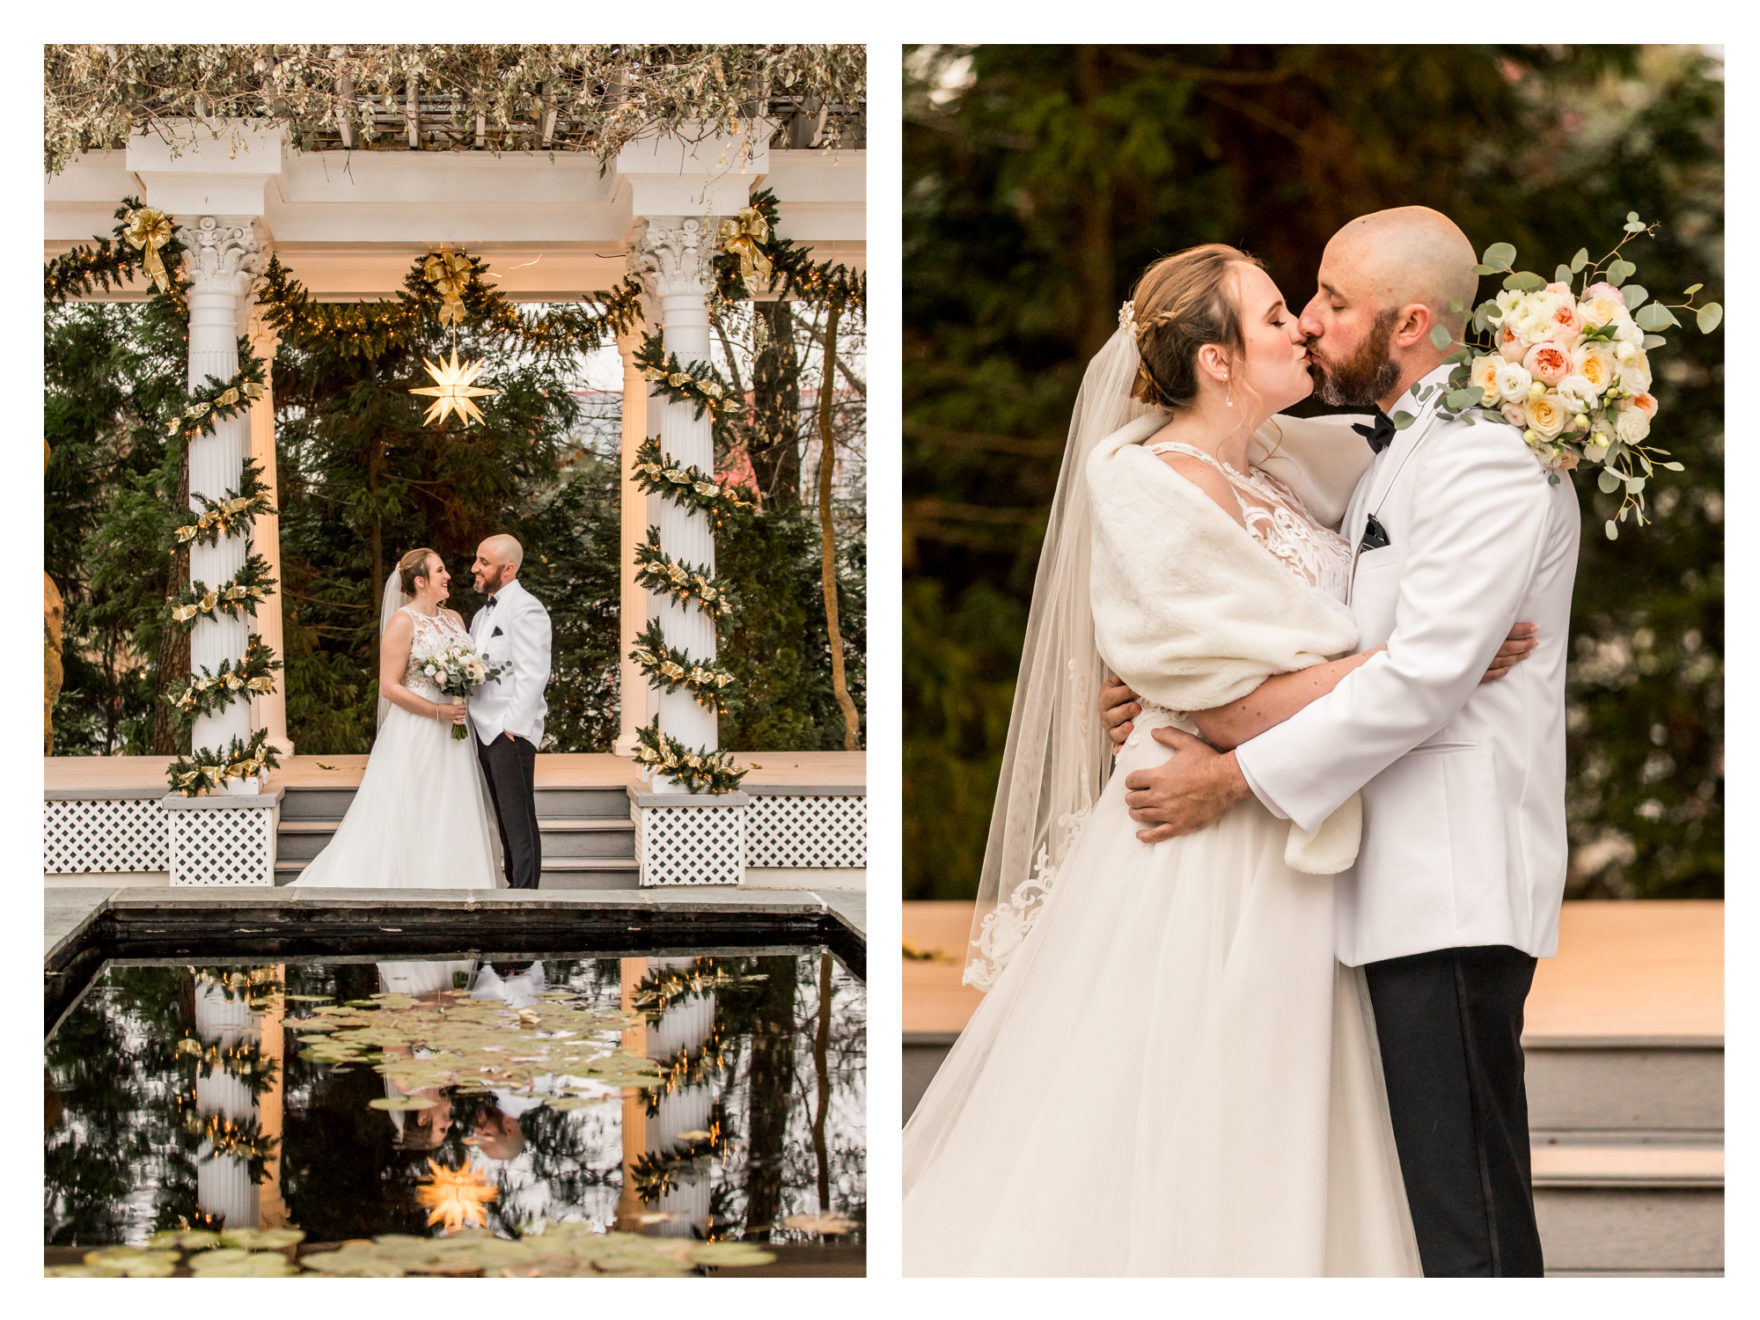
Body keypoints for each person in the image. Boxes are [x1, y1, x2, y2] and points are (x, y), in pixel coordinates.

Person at [902, 242, 1535, 1276]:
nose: (1301, 326)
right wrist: (1429, 664)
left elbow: (1414, 488)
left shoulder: (1294, 459)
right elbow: (1232, 707)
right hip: (1200, 848)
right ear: (1217, 361)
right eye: (1279, 311)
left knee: (1290, 1112)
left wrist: (1441, 642)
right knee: (1196, 1107)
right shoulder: (1146, 480)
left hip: (1294, 842)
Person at [1102, 208, 1579, 1278]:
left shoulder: (1486, 457)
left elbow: (1421, 678)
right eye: (1302, 300)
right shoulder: (1390, 449)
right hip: (1384, 878)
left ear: (1409, 323)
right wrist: (1159, 679)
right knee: (1437, 1215)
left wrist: (1229, 774)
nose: (1311, 323)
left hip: (1446, 881)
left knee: (1470, 1225)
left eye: (1330, 302)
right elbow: (1255, 598)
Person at [292, 548, 498, 889]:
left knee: (451, 806)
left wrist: (463, 688)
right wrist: (438, 711)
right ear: (420, 581)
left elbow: (469, 667)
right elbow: (389, 687)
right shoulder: (403, 621)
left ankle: (454, 882)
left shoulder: (455, 619)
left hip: (455, 730)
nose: (448, 576)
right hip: (418, 730)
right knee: (411, 807)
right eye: (440, 571)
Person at [467, 535, 552, 891]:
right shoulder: (481, 614)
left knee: (519, 819)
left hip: (509, 732)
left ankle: (526, 895)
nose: (475, 567)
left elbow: (534, 674)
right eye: (477, 560)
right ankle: (512, 886)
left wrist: (513, 729)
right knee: (504, 816)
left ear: (508, 568)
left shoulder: (526, 607)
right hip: (483, 729)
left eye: (484, 562)